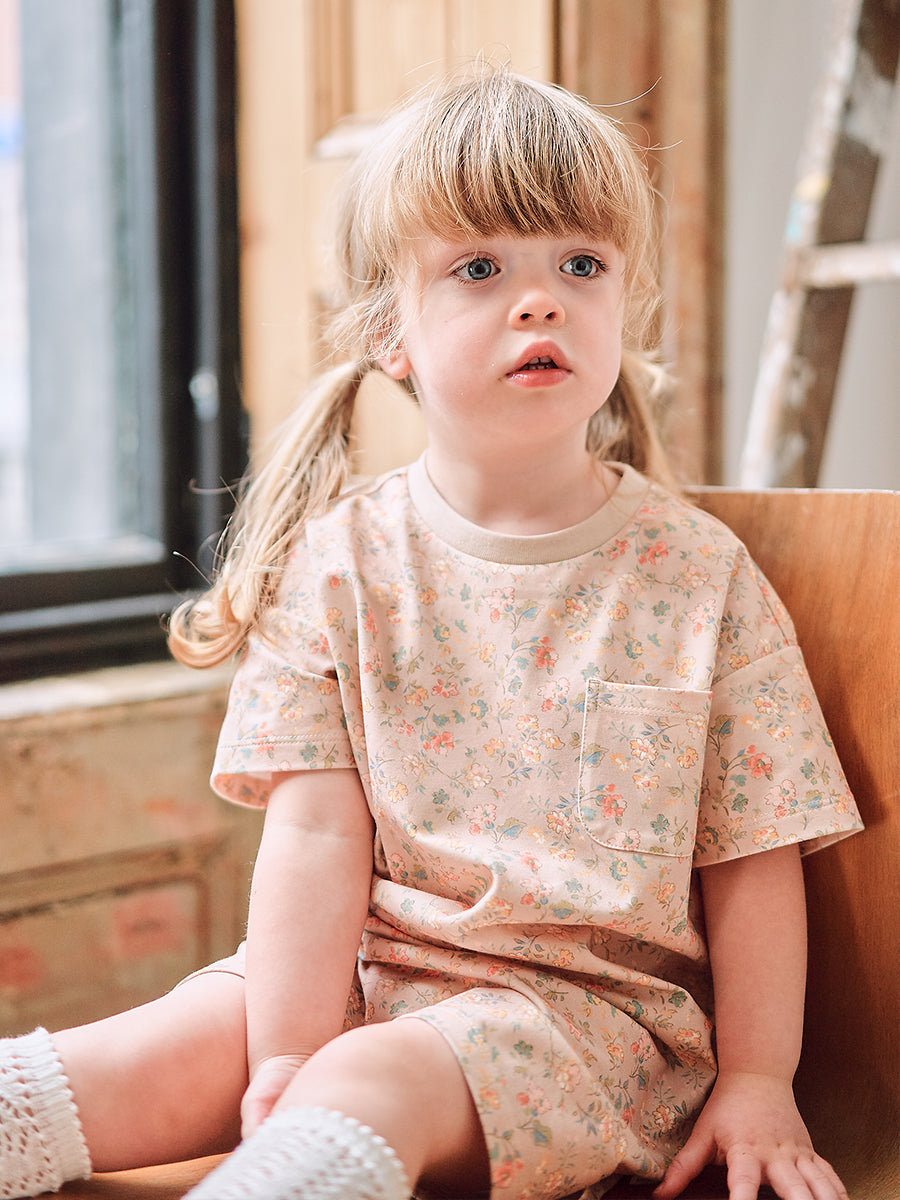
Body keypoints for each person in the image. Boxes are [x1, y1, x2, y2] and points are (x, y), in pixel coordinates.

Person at [0, 66, 862, 1200]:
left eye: (581, 265)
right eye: (480, 268)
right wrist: (283, 1056)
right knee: (114, 1063)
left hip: (578, 1030)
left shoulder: (702, 579)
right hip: (351, 979)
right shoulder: (339, 565)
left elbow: (752, 858)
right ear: (388, 334)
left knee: (368, 1081)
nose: (540, 301)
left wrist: (757, 1078)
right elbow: (314, 840)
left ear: (624, 305)